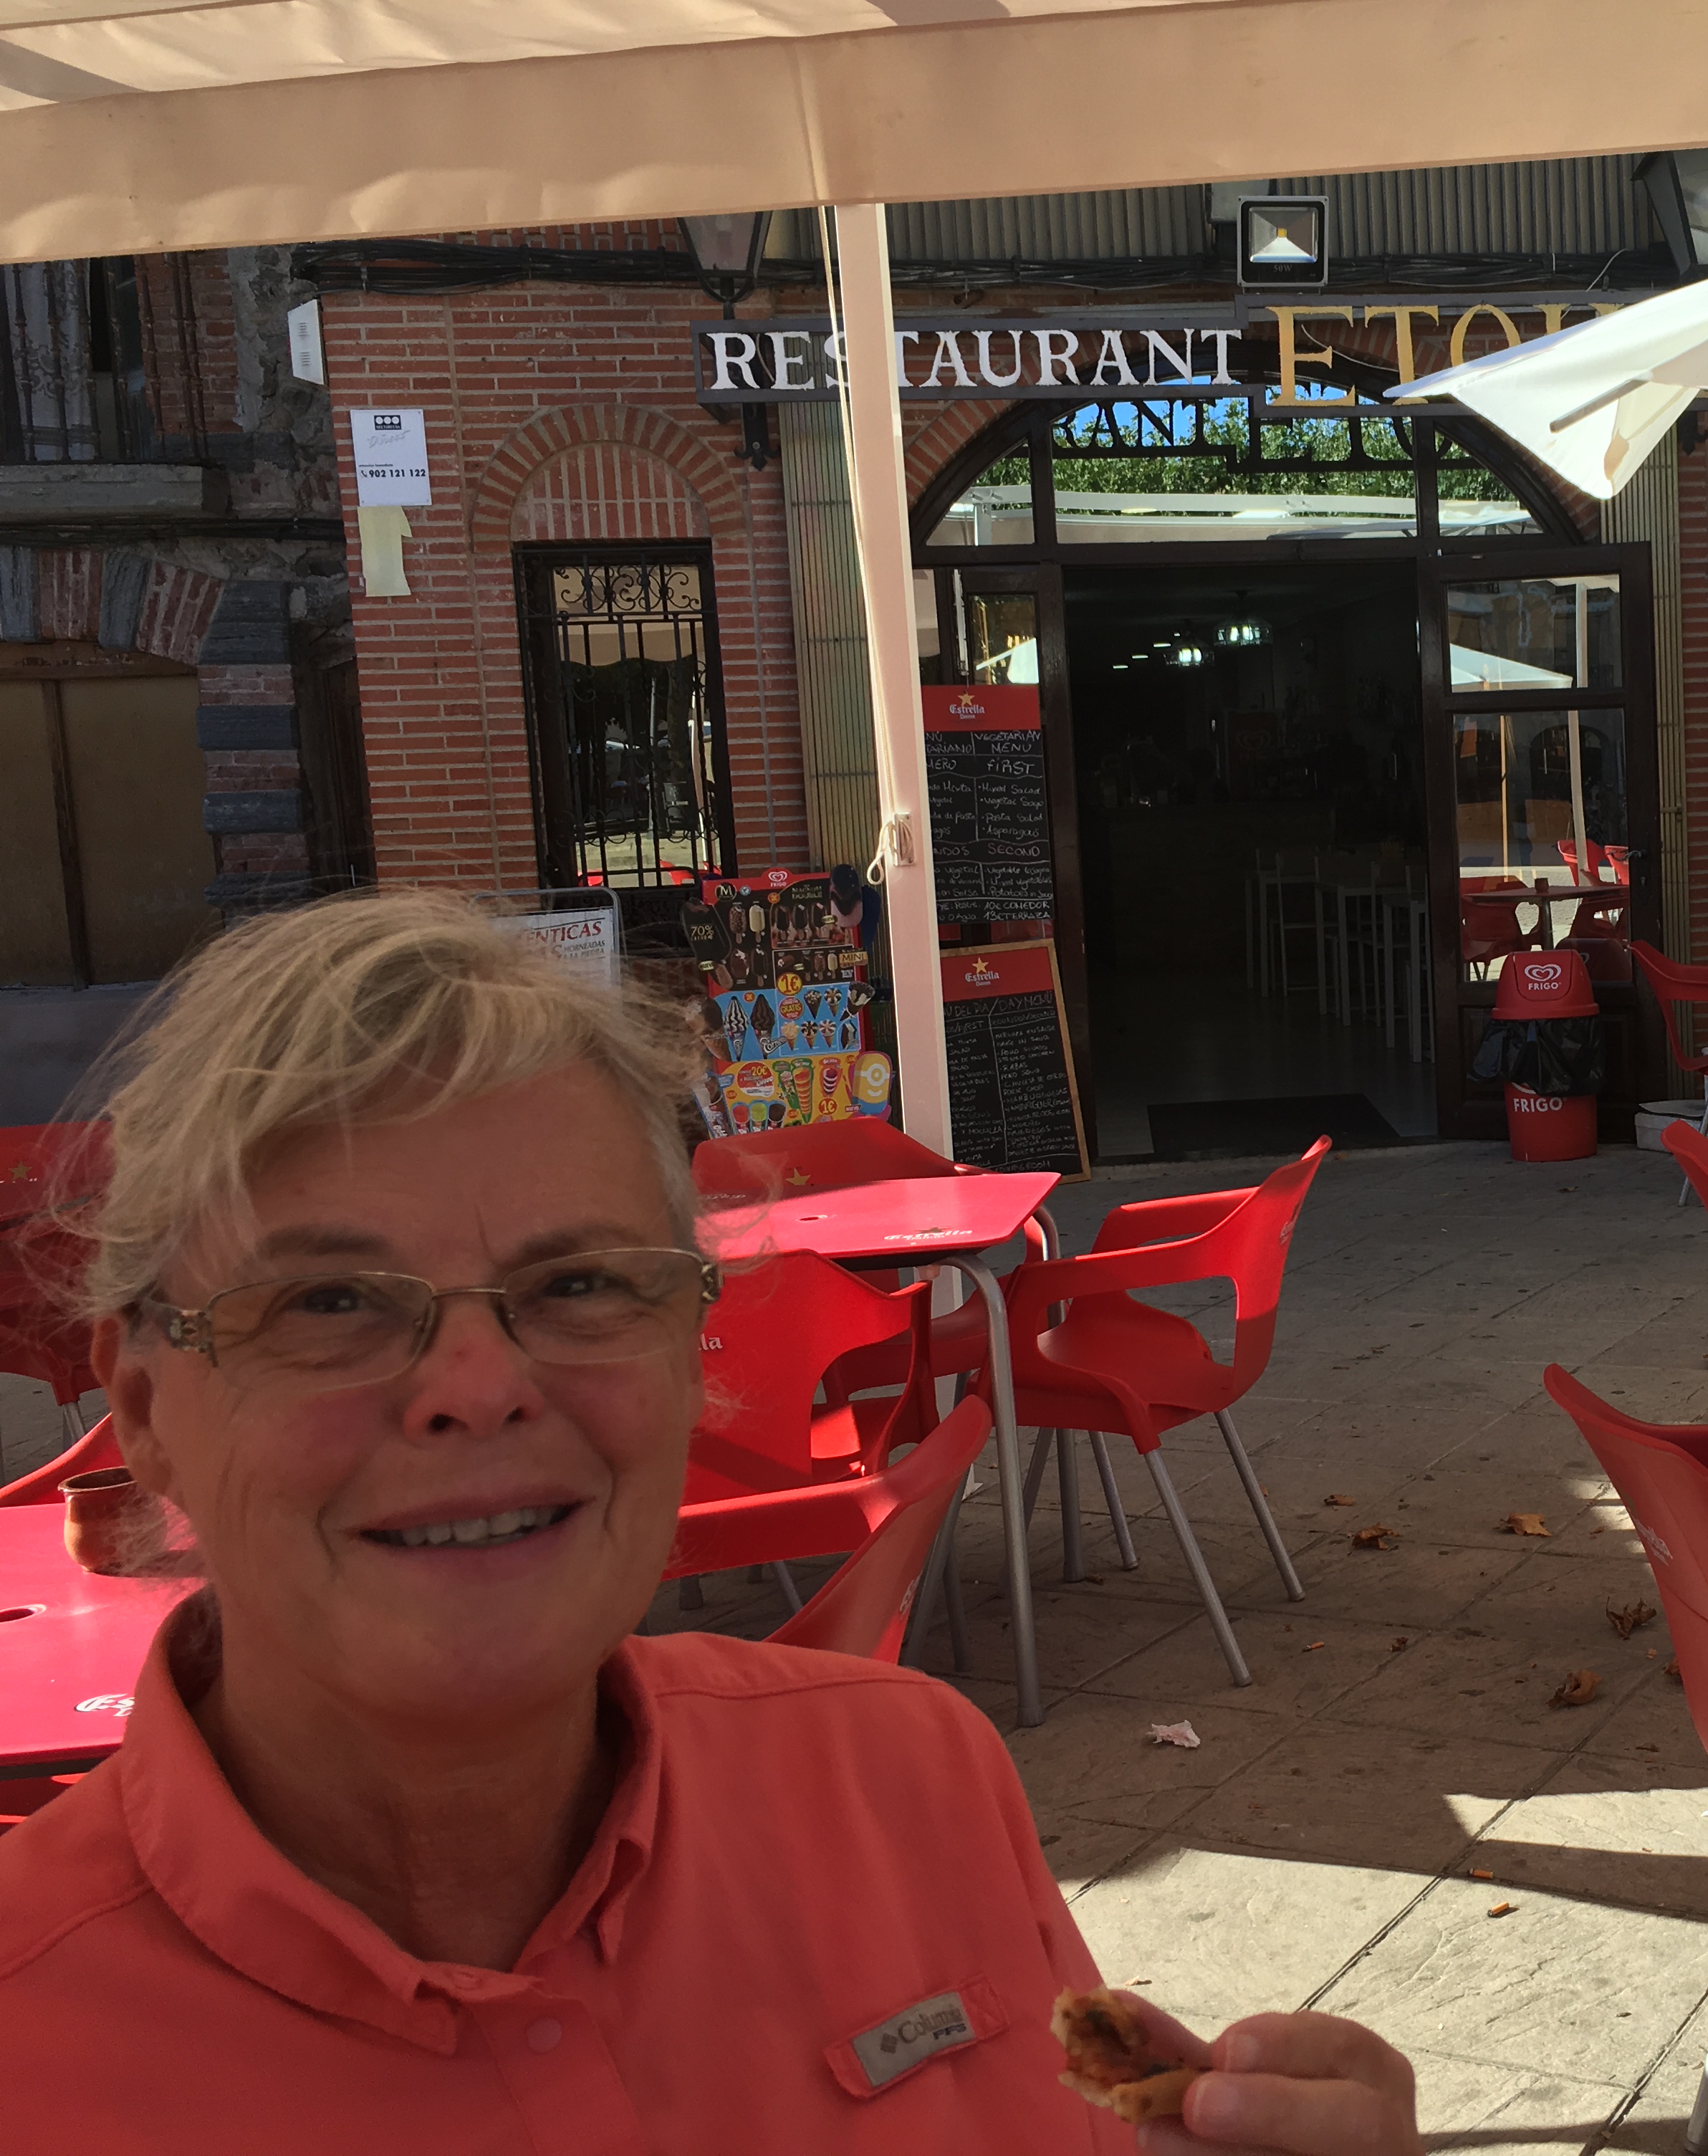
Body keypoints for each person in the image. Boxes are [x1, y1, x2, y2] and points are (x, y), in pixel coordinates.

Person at [0, 891, 1421, 2155]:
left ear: (691, 1357)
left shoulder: (907, 1777)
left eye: (579, 1284)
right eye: (328, 1302)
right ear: (143, 1404)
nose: (479, 1389)